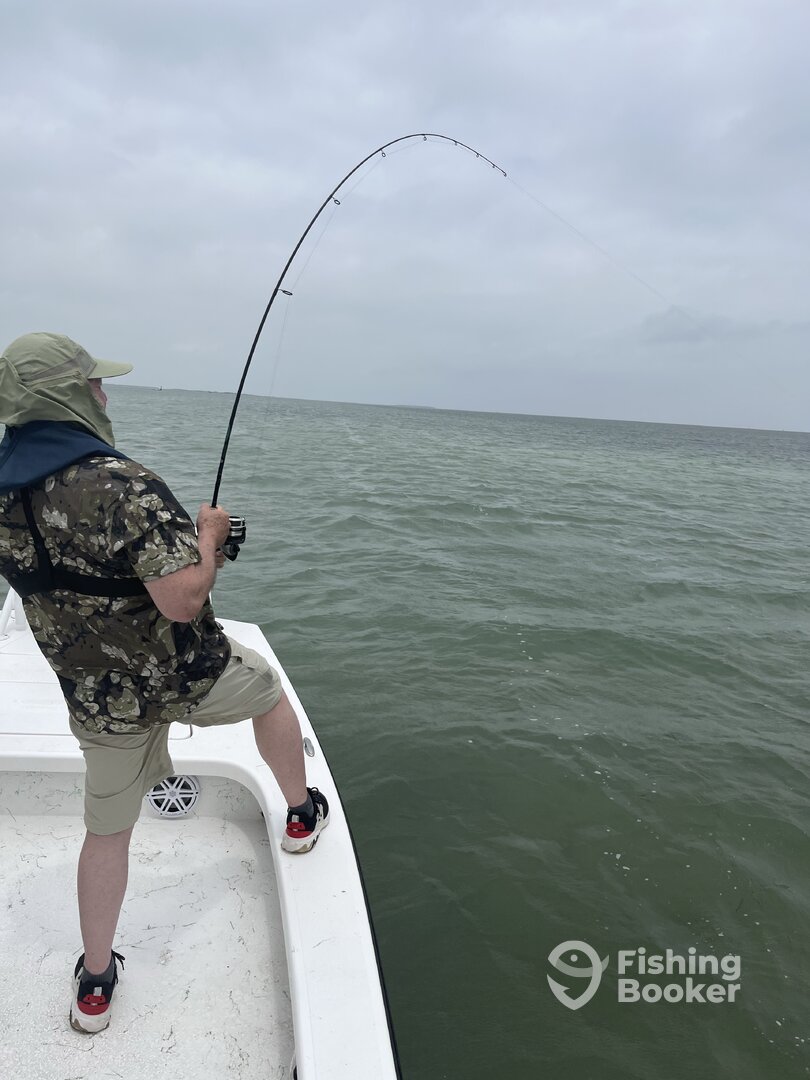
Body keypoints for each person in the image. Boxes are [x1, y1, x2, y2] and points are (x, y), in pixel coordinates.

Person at [0, 332, 329, 1035]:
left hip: (97, 699)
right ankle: (302, 815)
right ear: (68, 395)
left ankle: (95, 985)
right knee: (269, 690)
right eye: (93, 383)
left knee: (106, 833)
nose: (104, 393)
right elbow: (182, 600)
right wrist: (209, 537)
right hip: (187, 675)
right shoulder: (124, 485)